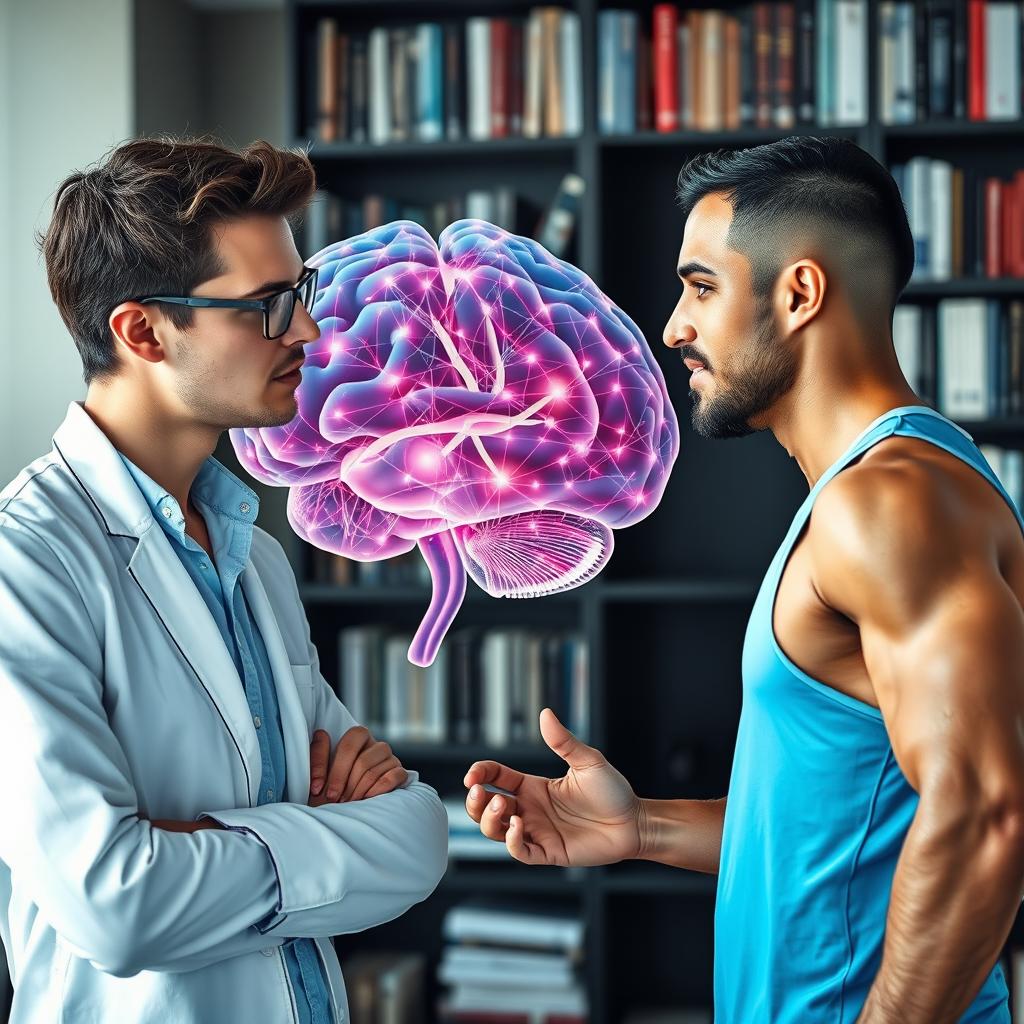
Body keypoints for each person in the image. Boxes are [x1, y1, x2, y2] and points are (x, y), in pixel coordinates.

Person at [464, 136, 1023, 1023]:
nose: (674, 325)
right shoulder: (868, 496)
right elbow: (830, 835)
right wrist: (639, 827)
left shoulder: (888, 504)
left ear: (799, 293)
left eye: (701, 286)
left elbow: (985, 816)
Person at [0, 136, 448, 1024]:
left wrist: (205, 846)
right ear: (143, 332)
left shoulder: (258, 557)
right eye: (267, 307)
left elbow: (419, 837)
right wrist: (324, 832)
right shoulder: (26, 565)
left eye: (302, 294)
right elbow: (119, 907)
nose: (309, 333)